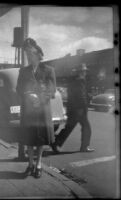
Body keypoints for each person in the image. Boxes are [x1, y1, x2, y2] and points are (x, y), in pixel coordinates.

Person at [16, 38, 56, 178]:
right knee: (29, 139)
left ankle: (38, 164)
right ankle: (30, 164)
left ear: (38, 54)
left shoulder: (49, 70)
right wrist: (28, 95)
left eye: (31, 54)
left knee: (40, 139)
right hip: (28, 111)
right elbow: (19, 89)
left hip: (42, 110)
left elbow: (52, 90)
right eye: (27, 54)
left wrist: (40, 99)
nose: (28, 57)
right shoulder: (23, 71)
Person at [51, 63, 94, 153]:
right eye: (83, 71)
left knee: (69, 128)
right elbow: (81, 96)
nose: (84, 73)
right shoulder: (80, 81)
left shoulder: (72, 81)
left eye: (85, 71)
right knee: (86, 128)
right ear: (80, 72)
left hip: (72, 108)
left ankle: (56, 143)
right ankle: (84, 147)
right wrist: (85, 104)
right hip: (79, 109)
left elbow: (73, 95)